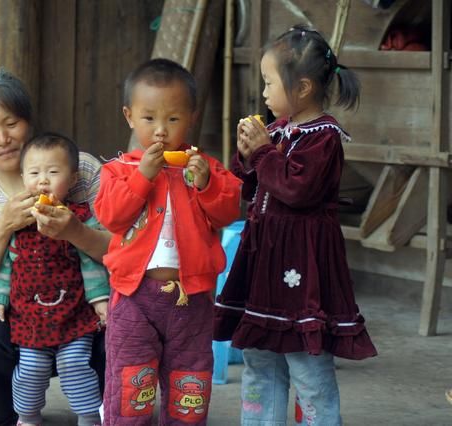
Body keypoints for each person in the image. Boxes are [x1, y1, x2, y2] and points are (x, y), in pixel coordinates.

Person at [213, 25, 377, 425]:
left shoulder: (324, 138)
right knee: (260, 357)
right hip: (265, 261)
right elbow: (251, 184)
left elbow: (295, 188)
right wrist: (246, 152)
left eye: (270, 83)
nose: (264, 93)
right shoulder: (277, 131)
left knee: (305, 361)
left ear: (302, 88)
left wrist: (265, 153)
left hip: (300, 268)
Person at [0, 69, 110, 426]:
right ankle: (7, 404)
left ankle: (103, 404)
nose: (2, 139)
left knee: (130, 317)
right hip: (22, 321)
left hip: (87, 314)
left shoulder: (80, 169)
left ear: (28, 122)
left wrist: (75, 231)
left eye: (11, 123)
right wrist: (4, 224)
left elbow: (124, 249)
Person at [94, 58, 242, 425]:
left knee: (188, 386)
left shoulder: (205, 167)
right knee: (132, 385)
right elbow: (111, 217)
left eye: (173, 119)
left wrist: (206, 183)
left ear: (192, 117)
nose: (161, 130)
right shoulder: (118, 171)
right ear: (129, 116)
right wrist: (143, 176)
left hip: (191, 297)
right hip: (134, 297)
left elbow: (227, 213)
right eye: (149, 118)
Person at [0, 133, 106, 426]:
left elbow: (91, 263)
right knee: (30, 369)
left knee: (75, 366)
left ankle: (90, 417)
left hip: (74, 317)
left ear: (70, 180)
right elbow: (7, 266)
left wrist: (100, 299)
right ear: (23, 179)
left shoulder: (78, 218)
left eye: (53, 173)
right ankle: (28, 417)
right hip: (30, 318)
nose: (43, 180)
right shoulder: (19, 224)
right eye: (34, 173)